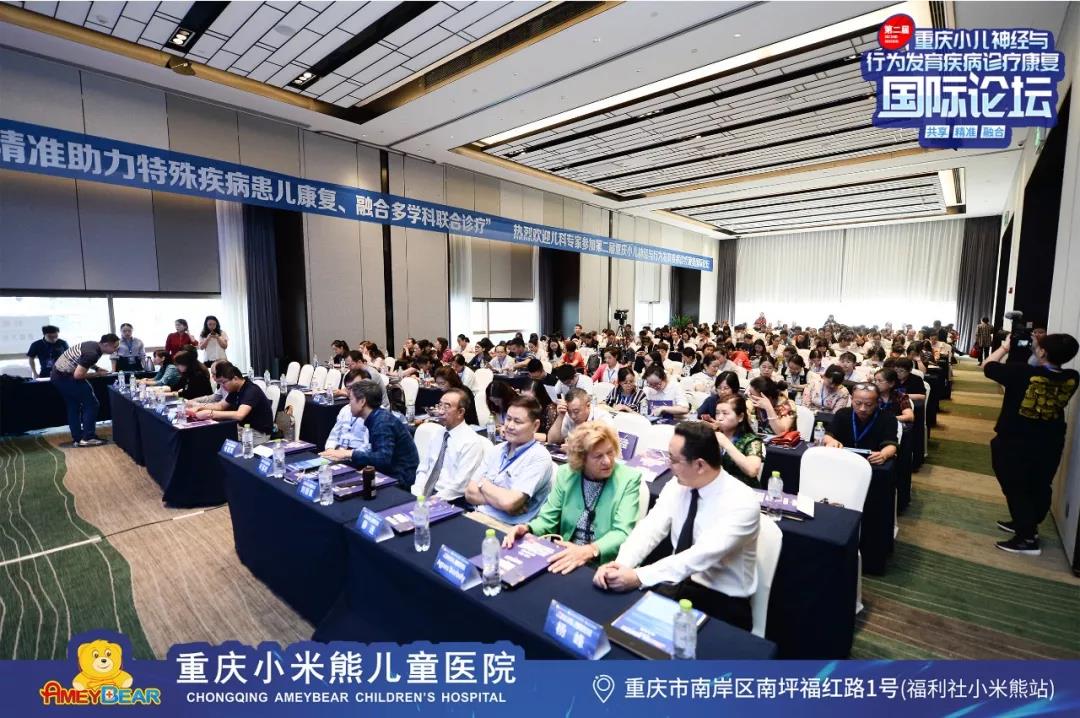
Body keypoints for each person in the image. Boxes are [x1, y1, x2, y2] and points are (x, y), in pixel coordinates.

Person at [593, 422, 760, 630]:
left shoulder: (743, 502)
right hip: (675, 583)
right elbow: (650, 528)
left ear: (699, 465)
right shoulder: (678, 485)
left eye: (673, 460)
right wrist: (621, 566)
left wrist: (638, 576)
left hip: (721, 600)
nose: (668, 466)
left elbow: (699, 555)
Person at [984, 333, 1079, 555]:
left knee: (1014, 485)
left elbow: (988, 366)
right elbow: (1046, 370)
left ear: (1043, 352)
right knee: (1039, 483)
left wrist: (1005, 347)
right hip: (1050, 440)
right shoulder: (1073, 377)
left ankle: (1027, 538)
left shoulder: (1021, 372)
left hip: (1016, 439)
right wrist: (1038, 352)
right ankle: (1026, 522)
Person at [504, 421, 641, 572]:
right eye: (598, 456)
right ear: (582, 458)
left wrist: (589, 550)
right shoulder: (566, 474)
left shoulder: (628, 479)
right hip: (565, 555)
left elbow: (622, 533)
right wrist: (527, 528)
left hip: (604, 565)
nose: (607, 461)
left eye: (610, 452)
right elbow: (548, 520)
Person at [465, 396, 554, 525]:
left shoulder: (539, 456)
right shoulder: (497, 449)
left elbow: (510, 502)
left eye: (518, 422)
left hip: (509, 527)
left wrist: (482, 484)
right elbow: (469, 493)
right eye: (508, 419)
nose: (510, 426)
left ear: (535, 426)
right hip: (478, 515)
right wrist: (501, 502)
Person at [320, 380, 420, 487]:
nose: (349, 404)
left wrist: (348, 453)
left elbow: (383, 458)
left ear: (362, 401)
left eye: (351, 399)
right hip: (388, 471)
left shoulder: (382, 422)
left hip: (399, 477)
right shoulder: (376, 417)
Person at [412, 387, 488, 502]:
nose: (440, 411)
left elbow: (460, 485)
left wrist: (433, 500)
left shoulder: (471, 442)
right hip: (425, 495)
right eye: (440, 405)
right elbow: (423, 468)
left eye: (446, 407)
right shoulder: (438, 433)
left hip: (450, 500)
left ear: (460, 412)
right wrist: (418, 492)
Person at [50, 333, 120, 447]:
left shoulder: (93, 345)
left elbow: (82, 360)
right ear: (106, 344)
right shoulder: (92, 353)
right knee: (92, 404)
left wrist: (96, 368)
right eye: (115, 347)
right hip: (66, 377)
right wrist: (98, 374)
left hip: (58, 376)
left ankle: (78, 438)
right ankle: (88, 437)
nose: (116, 349)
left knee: (73, 406)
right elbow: (78, 375)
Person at [195, 363, 275, 444]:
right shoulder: (236, 389)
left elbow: (239, 415)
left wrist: (211, 414)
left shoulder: (251, 390)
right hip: (244, 429)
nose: (222, 386)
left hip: (258, 433)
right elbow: (221, 406)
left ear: (235, 379)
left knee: (215, 439)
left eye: (224, 382)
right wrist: (199, 407)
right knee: (212, 435)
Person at [823, 383, 899, 466]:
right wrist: (831, 441)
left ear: (877, 402)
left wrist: (884, 454)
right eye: (858, 403)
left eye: (869, 404)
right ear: (852, 399)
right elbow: (828, 434)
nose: (862, 409)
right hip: (842, 459)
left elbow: (891, 444)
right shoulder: (842, 413)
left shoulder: (888, 418)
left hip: (871, 462)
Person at [704, 396, 764, 488]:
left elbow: (752, 471)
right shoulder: (714, 435)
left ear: (740, 417)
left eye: (725, 413)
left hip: (743, 489)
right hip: (717, 488)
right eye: (717, 413)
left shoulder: (751, 440)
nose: (719, 418)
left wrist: (726, 443)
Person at [324, 368, 372, 452]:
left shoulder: (375, 413)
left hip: (358, 456)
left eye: (355, 387)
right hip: (339, 453)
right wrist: (330, 450)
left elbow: (369, 448)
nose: (351, 391)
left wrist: (346, 454)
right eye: (348, 388)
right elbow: (333, 437)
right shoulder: (345, 410)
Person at [547, 387, 614, 444]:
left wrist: (573, 449)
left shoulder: (602, 417)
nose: (573, 416)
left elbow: (605, 446)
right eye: (569, 411)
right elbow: (551, 441)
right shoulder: (568, 416)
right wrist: (560, 416)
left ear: (588, 405)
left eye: (576, 411)